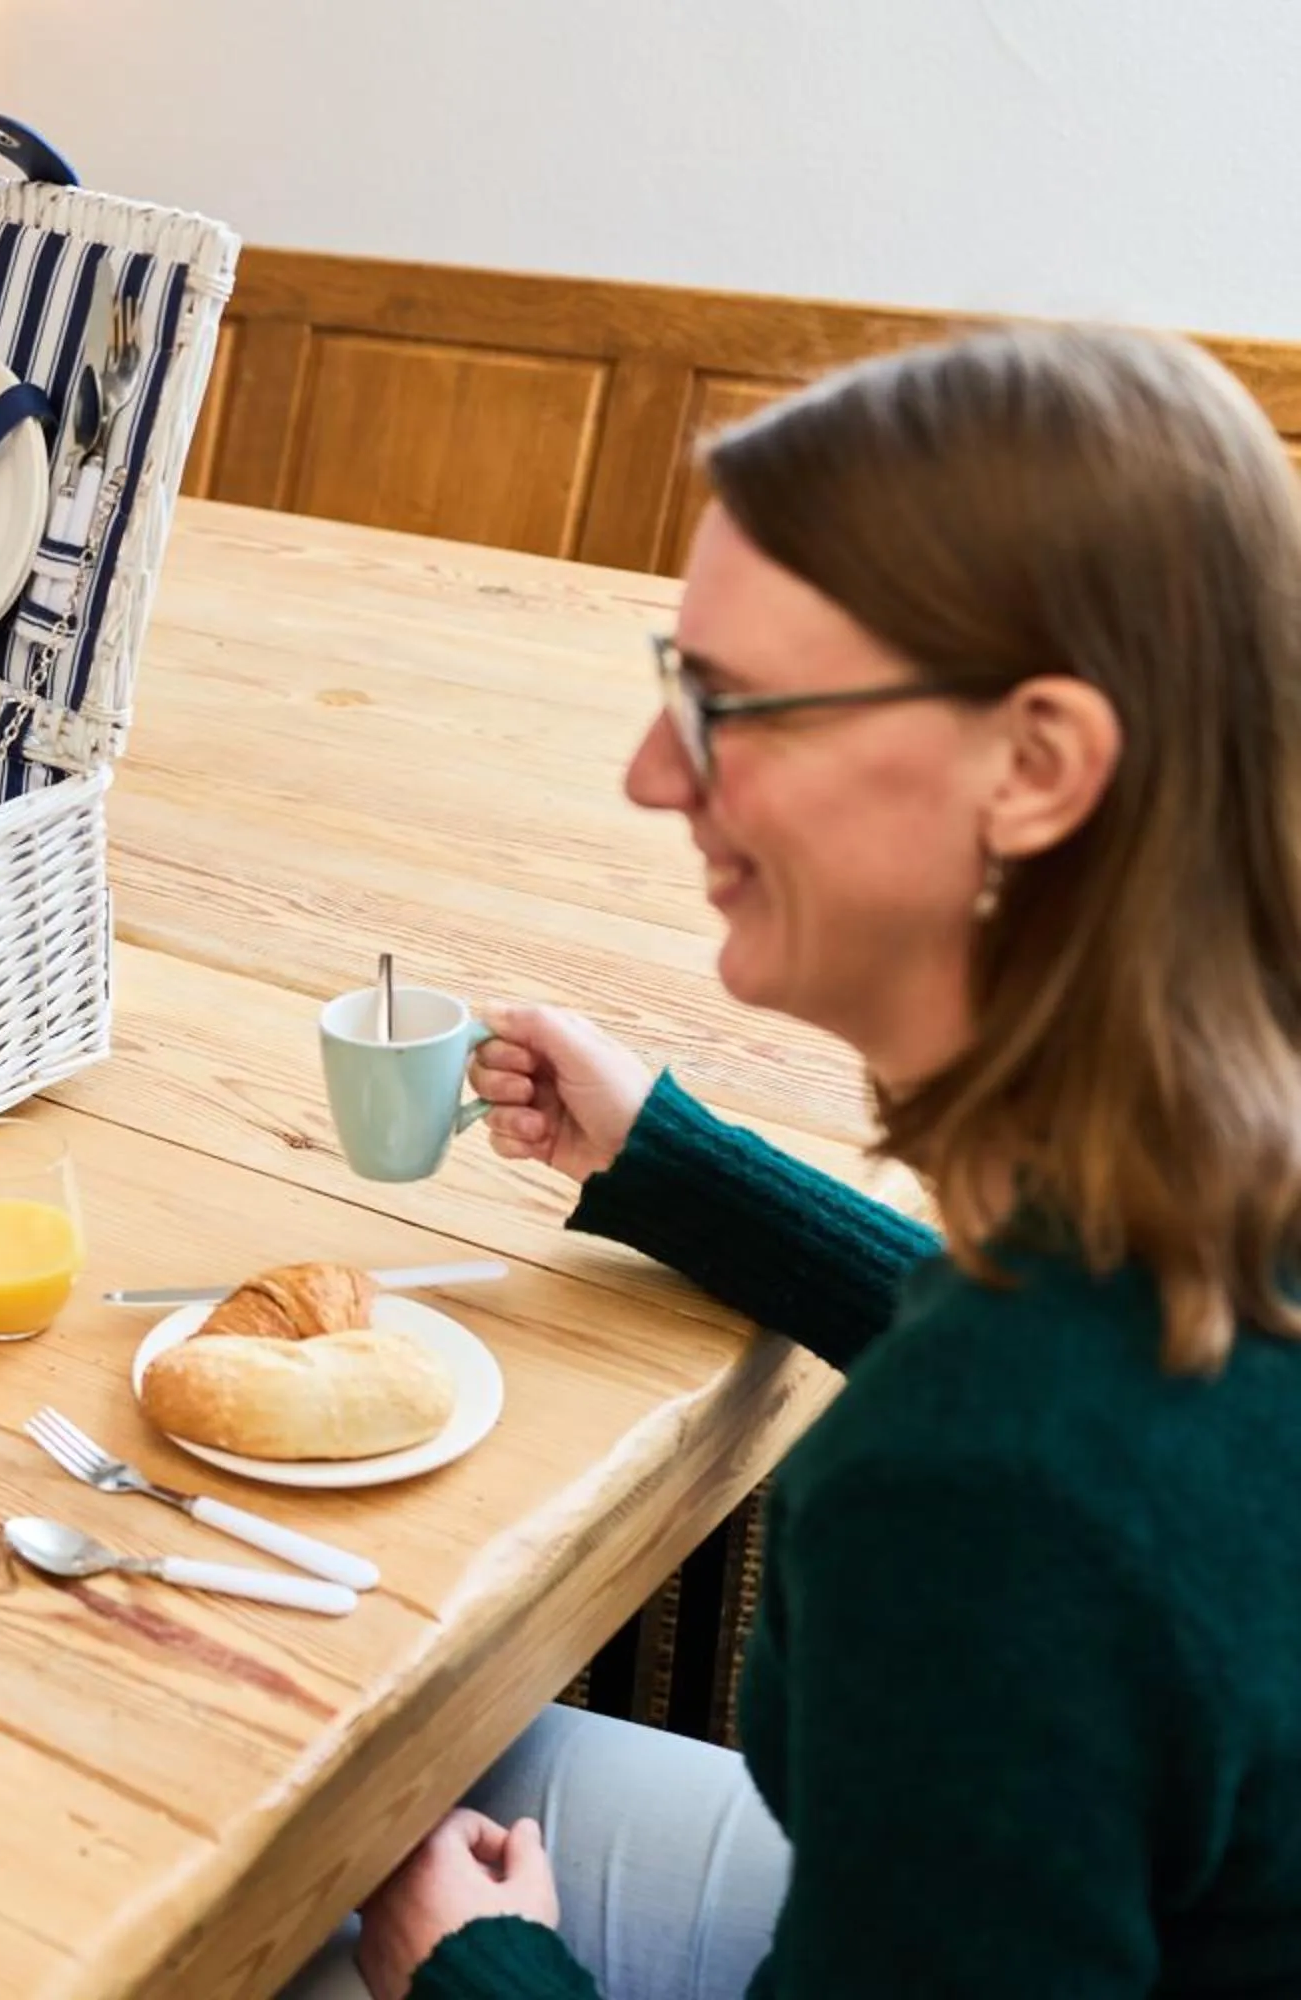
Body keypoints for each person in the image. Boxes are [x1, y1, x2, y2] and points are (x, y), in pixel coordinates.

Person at [296, 324, 1301, 1998]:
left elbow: (1041, 1460)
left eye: (731, 705)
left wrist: (479, 1978)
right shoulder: (1210, 1181)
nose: (650, 772)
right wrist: (677, 1169)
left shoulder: (976, 1494)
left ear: (1038, 766)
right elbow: (1113, 1373)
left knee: (314, 1926)